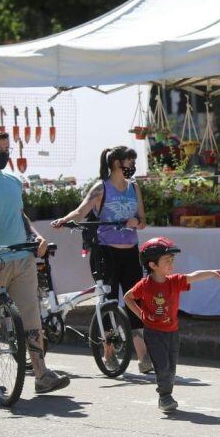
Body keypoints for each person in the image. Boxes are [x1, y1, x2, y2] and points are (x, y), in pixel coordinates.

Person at [0, 129, 70, 396]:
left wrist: (37, 236)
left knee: (31, 315)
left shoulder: (12, 181)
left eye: (7, 150)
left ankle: (41, 373)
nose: (4, 155)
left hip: (21, 258)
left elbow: (19, 216)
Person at [51, 146, 153, 373]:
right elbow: (80, 211)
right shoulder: (101, 188)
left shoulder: (134, 187)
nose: (132, 165)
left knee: (135, 300)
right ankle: (109, 353)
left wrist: (136, 222)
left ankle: (143, 355)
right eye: (129, 160)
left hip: (130, 250)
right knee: (108, 301)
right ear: (116, 163)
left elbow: (143, 219)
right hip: (106, 252)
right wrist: (63, 220)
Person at [124, 237, 220, 412]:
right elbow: (128, 298)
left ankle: (166, 393)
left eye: (172, 260)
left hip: (172, 332)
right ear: (152, 265)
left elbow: (192, 276)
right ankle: (165, 397)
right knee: (162, 366)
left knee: (171, 368)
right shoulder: (145, 285)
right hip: (153, 333)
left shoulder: (174, 281)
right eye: (167, 260)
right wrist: (141, 315)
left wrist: (210, 272)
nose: (171, 263)